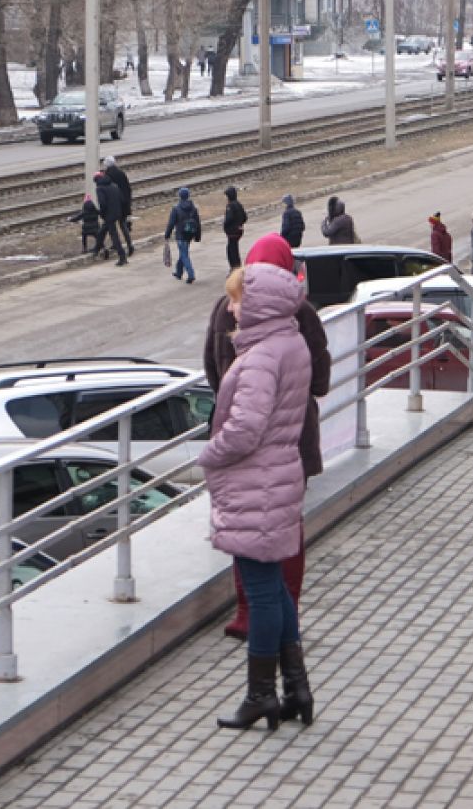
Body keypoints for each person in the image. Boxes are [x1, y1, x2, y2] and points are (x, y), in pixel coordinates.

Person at [200, 258, 317, 731]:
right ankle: (296, 689)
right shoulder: (289, 342)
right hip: (278, 475)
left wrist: (211, 453)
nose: (230, 309)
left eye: (236, 300)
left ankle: (261, 695)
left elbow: (245, 428)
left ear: (259, 304)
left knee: (263, 591)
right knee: (275, 587)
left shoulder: (262, 357)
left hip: (256, 483)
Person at [204, 235, 330, 646]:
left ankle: (251, 616)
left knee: (245, 532)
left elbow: (212, 370)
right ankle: (285, 618)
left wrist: (212, 451)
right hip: (294, 441)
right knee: (285, 532)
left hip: (242, 442)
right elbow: (322, 381)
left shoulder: (225, 313)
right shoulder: (301, 316)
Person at [164, 187, 201, 283]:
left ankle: (191, 274)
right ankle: (179, 272)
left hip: (180, 234)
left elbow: (171, 223)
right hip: (190, 234)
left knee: (184, 255)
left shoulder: (176, 209)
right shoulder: (193, 208)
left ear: (179, 196)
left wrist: (167, 234)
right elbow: (198, 222)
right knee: (183, 253)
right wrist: (197, 236)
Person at [93, 171, 128, 265]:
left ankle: (122, 257)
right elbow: (122, 199)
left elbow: (102, 204)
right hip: (118, 213)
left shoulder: (99, 189)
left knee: (114, 237)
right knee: (102, 231)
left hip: (109, 215)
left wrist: (102, 213)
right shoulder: (114, 185)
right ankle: (96, 249)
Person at [103, 156, 135, 254]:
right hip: (124, 203)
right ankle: (130, 245)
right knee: (123, 225)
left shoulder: (107, 175)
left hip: (113, 205)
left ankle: (116, 244)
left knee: (111, 226)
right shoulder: (121, 173)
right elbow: (128, 189)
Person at [222, 186, 248, 269]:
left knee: (231, 250)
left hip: (232, 231)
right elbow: (245, 217)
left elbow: (229, 218)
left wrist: (225, 226)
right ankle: (237, 266)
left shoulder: (230, 206)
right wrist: (240, 224)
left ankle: (235, 267)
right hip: (239, 230)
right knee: (234, 248)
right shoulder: (238, 204)